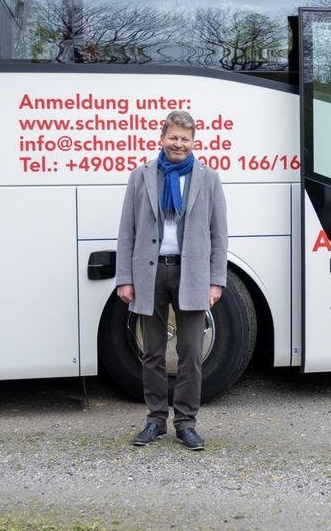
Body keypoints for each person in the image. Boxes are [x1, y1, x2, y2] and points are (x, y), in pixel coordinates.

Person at [115, 110, 228, 451]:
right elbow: (126, 231)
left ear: (194, 142)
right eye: (173, 137)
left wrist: (216, 281)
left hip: (191, 273)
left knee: (190, 351)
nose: (179, 144)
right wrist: (125, 278)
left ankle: (186, 423)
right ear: (162, 138)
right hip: (150, 272)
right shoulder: (141, 176)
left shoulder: (207, 178)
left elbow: (218, 233)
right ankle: (155, 420)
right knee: (151, 351)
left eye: (185, 139)